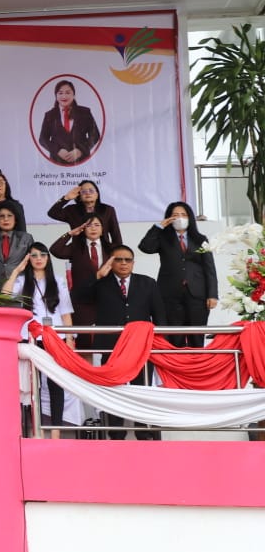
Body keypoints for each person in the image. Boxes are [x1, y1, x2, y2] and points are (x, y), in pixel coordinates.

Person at [93, 246, 166, 440]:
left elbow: (159, 315)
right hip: (111, 346)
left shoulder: (147, 283)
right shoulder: (101, 284)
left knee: (140, 389)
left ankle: (143, 431)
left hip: (140, 346)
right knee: (113, 389)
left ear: (133, 262)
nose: (124, 263)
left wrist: (159, 345)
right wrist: (98, 276)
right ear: (111, 262)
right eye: (119, 259)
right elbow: (78, 297)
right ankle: (116, 432)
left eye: (128, 260)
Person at [2, 244, 74, 439]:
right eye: (34, 255)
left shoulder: (57, 280)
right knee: (33, 384)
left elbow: (65, 312)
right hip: (31, 337)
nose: (39, 258)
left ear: (48, 258)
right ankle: (36, 430)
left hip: (55, 337)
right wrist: (16, 270)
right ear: (28, 259)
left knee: (55, 384)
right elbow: (5, 295)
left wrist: (70, 338)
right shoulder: (22, 280)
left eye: (42, 254)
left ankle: (56, 431)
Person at [138, 202, 218, 348]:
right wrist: (158, 227)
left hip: (197, 295)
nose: (179, 218)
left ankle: (196, 362)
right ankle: (176, 362)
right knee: (175, 338)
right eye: (175, 215)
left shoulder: (200, 239)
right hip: (170, 295)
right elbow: (145, 247)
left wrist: (212, 294)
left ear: (190, 218)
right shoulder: (163, 238)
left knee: (196, 338)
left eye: (183, 215)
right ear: (169, 218)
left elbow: (209, 268)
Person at [49, 216, 110, 351]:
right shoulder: (76, 248)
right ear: (83, 229)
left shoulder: (110, 248)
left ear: (103, 229)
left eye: (97, 225)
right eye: (89, 225)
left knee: (108, 346)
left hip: (105, 301)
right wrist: (70, 234)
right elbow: (55, 250)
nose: (93, 228)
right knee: (84, 346)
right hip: (81, 302)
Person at [38, 79, 101, 165]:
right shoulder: (49, 115)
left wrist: (81, 150)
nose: (64, 96)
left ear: (73, 95)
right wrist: (57, 150)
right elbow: (43, 139)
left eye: (68, 93)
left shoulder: (85, 112)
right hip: (57, 162)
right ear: (56, 95)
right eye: (60, 93)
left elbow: (95, 135)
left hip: (82, 162)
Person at [47, 180, 122, 247]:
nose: (88, 193)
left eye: (91, 190)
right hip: (79, 251)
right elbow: (52, 213)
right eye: (84, 191)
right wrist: (66, 198)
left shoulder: (108, 210)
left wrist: (118, 253)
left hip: (103, 251)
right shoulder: (72, 210)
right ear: (79, 196)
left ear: (97, 195)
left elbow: (116, 235)